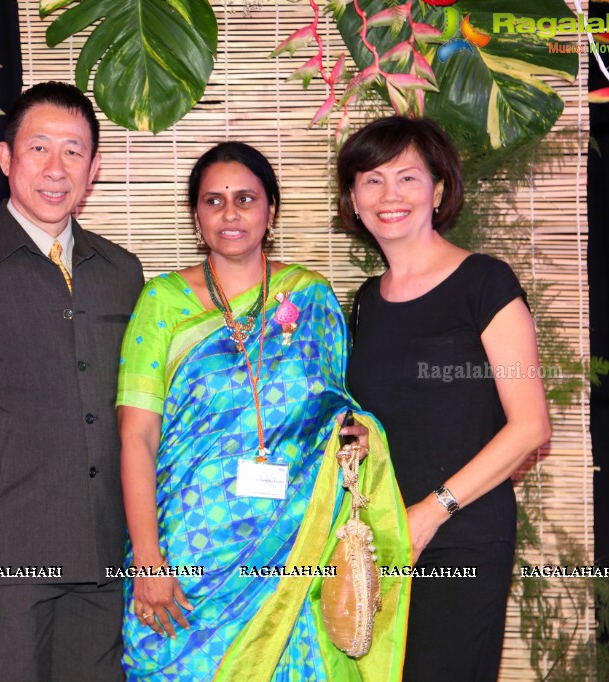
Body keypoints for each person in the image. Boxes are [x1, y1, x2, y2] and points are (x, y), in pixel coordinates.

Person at [117, 142, 410, 680]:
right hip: (188, 552)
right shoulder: (161, 303)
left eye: (246, 199)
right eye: (213, 201)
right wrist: (147, 560)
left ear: (270, 211)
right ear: (197, 216)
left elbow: (333, 409)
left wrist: (355, 434)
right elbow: (137, 437)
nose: (230, 213)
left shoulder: (311, 298)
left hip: (291, 545)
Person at [0, 81, 144, 681]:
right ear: (5, 158)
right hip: (6, 568)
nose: (55, 167)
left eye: (73, 151)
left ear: (93, 169)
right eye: (39, 147)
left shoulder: (122, 271)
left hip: (105, 556)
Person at [338, 116, 552, 681]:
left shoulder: (485, 283)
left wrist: (430, 514)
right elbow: (393, 416)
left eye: (407, 178)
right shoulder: (366, 302)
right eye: (372, 180)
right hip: (385, 537)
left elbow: (530, 427)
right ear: (354, 201)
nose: (390, 195)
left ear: (437, 190)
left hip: (461, 533)